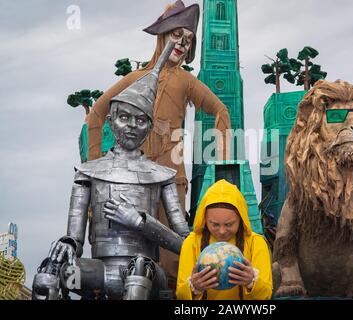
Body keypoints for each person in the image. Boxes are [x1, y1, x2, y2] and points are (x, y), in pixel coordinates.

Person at [86, 0, 231, 287]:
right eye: (177, 35)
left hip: (171, 181)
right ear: (162, 35)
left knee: (172, 256)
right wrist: (95, 169)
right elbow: (96, 115)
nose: (182, 44)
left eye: (188, 40)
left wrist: (221, 164)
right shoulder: (134, 79)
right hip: (130, 181)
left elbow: (221, 111)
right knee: (127, 249)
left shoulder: (186, 81)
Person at [32, 42, 190, 300]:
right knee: (51, 273)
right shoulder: (88, 173)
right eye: (124, 117)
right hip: (98, 272)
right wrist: (68, 243)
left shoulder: (162, 176)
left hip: (146, 273)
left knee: (139, 270)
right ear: (111, 120)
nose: (131, 126)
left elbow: (186, 244)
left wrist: (140, 222)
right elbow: (76, 237)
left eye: (140, 121)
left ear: (149, 128)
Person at [176, 179, 273, 300]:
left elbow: (266, 295)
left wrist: (251, 282)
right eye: (215, 224)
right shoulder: (191, 243)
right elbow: (180, 294)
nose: (222, 231)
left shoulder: (256, 242)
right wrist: (193, 287)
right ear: (204, 219)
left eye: (229, 224)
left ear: (241, 218)